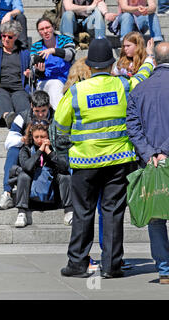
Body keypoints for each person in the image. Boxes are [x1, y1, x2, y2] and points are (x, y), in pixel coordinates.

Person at [56, 38, 155, 279]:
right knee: (112, 213)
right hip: (119, 160)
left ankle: (78, 263)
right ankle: (111, 265)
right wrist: (149, 60)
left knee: (83, 212)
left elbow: (60, 124)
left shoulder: (77, 91)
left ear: (89, 65)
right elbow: (140, 79)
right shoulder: (122, 85)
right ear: (112, 64)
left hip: (84, 162)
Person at [126, 42, 169, 285]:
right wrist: (165, 150)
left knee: (156, 218)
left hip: (150, 162)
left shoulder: (139, 90)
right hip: (163, 156)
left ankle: (165, 269)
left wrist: (150, 153)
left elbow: (132, 128)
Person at [0, 91, 59, 211]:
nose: (40, 115)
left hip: (50, 153)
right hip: (29, 154)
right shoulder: (22, 116)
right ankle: (7, 193)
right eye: (37, 111)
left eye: (44, 111)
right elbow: (9, 141)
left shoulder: (56, 117)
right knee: (13, 150)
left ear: (49, 107)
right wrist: (23, 139)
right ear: (31, 106)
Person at [14, 121, 72, 228]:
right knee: (23, 175)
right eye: (37, 137)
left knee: (65, 176)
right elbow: (27, 167)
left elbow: (64, 167)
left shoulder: (54, 149)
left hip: (53, 195)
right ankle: (21, 212)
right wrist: (39, 151)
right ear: (32, 137)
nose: (40, 140)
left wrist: (49, 152)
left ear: (48, 136)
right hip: (32, 195)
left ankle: (69, 211)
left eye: (43, 137)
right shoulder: (26, 149)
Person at [26, 17, 76, 110]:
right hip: (44, 81)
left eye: (47, 27)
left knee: (55, 86)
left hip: (66, 80)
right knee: (52, 86)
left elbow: (71, 54)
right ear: (38, 32)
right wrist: (40, 71)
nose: (45, 31)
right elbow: (34, 68)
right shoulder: (36, 47)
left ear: (53, 27)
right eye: (41, 29)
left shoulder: (64, 40)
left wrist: (53, 50)